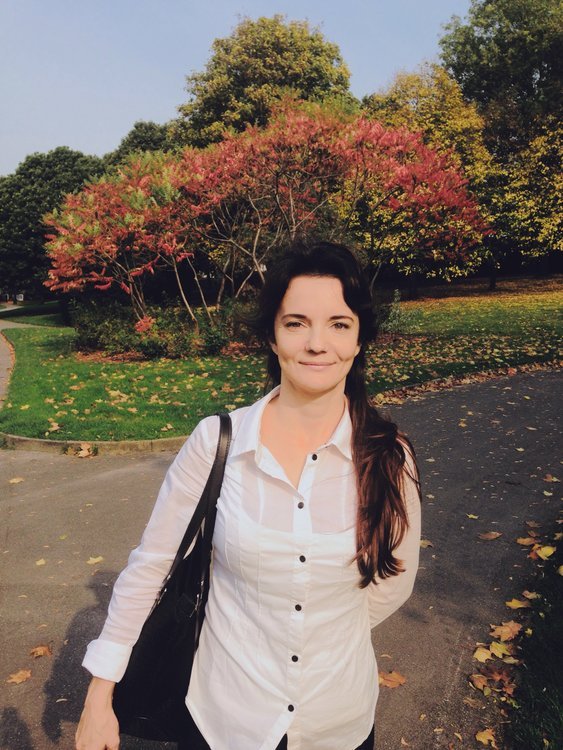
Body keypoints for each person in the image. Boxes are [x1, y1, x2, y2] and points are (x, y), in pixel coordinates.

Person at [75, 241, 422, 750]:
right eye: (296, 323)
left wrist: (327, 625)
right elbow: (152, 566)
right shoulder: (218, 442)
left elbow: (394, 581)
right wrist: (99, 694)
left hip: (337, 722)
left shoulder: (390, 456)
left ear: (359, 339)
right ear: (272, 337)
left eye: (339, 324)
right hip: (225, 721)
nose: (317, 344)